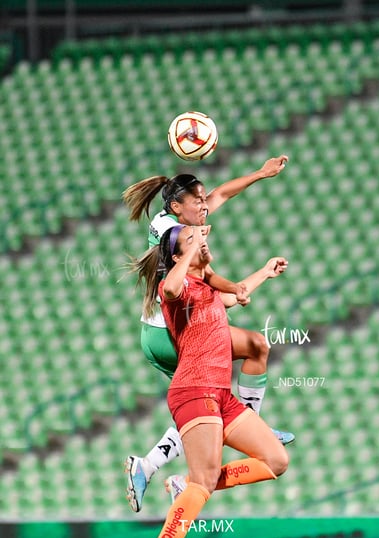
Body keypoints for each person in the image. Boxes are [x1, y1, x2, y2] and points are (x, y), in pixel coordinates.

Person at [122, 156, 294, 513]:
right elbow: (197, 285)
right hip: (171, 329)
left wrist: (260, 174)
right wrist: (235, 282)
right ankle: (244, 428)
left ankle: (149, 465)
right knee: (236, 366)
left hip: (160, 332)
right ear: (176, 206)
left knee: (213, 393)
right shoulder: (175, 232)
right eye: (198, 201)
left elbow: (221, 196)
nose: (205, 206)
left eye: (203, 201)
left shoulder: (181, 221)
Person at [133, 224, 289, 538]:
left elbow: (239, 292)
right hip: (193, 390)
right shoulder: (177, 288)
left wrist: (265, 271)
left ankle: (183, 483)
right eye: (191, 239)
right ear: (176, 256)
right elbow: (169, 286)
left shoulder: (206, 290)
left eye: (202, 237)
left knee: (277, 460)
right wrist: (190, 251)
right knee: (205, 481)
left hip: (221, 394)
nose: (203, 241)